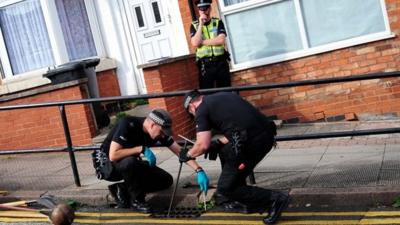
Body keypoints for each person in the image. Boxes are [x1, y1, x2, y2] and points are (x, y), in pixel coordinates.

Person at [180, 90, 290, 225]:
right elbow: (239, 125)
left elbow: (202, 145)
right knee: (225, 151)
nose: (193, 116)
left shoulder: (201, 110)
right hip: (266, 135)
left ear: (191, 106)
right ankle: (243, 200)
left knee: (225, 188)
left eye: (191, 114)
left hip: (252, 144)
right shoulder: (225, 95)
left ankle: (276, 199)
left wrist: (187, 155)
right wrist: (218, 143)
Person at [92, 108, 209, 213]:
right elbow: (113, 155)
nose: (163, 136)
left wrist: (199, 170)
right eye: (162, 132)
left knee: (166, 180)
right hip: (108, 165)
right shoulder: (127, 123)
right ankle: (137, 201)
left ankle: (122, 188)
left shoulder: (158, 133)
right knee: (130, 162)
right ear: (153, 125)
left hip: (130, 163)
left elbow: (180, 152)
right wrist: (141, 149)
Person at [190, 0, 231, 89]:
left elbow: (221, 40)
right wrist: (201, 24)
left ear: (210, 8)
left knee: (226, 91)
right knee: (207, 93)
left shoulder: (217, 22)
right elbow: (195, 43)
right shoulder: (194, 25)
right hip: (205, 65)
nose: (203, 11)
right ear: (198, 10)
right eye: (201, 9)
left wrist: (202, 42)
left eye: (205, 8)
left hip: (221, 63)